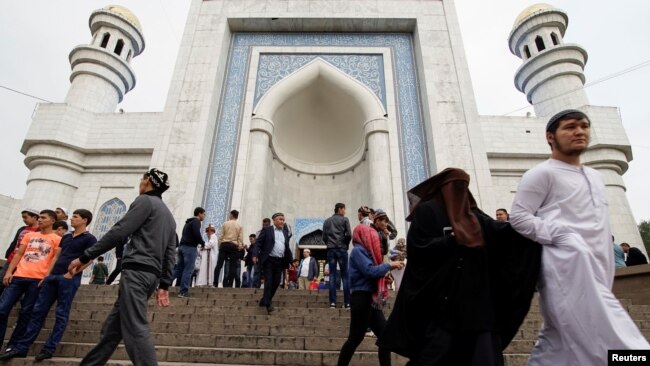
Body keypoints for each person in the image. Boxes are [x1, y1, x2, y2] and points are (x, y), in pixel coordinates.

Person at [509, 110, 649, 365]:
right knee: (615, 333)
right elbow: (518, 216)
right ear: (550, 137)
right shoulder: (542, 174)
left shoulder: (596, 177)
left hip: (597, 268)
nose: (579, 132)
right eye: (570, 127)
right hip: (565, 267)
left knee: (558, 342)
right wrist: (561, 235)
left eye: (584, 126)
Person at [378, 168, 541, 366]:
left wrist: (536, 225)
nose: (459, 192)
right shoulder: (428, 212)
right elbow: (419, 248)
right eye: (455, 187)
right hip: (439, 307)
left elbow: (504, 235)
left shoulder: (475, 216)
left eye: (463, 187)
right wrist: (451, 241)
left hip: (476, 309)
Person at [67, 168, 177, 366]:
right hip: (150, 276)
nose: (140, 182)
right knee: (112, 331)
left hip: (137, 271)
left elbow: (120, 231)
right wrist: (165, 284)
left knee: (136, 327)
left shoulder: (144, 201)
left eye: (142, 179)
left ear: (148, 181)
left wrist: (86, 256)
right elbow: (170, 253)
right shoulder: (168, 215)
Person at [0, 209, 96, 361]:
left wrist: (73, 272)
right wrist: (47, 275)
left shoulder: (90, 238)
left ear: (84, 220)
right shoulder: (66, 237)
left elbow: (90, 258)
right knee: (37, 312)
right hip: (52, 277)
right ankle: (22, 347)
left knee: (61, 314)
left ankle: (49, 348)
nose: (72, 219)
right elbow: (56, 256)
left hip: (68, 279)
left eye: (76, 217)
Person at [337, 213, 404, 366]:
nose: (373, 238)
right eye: (370, 236)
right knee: (355, 338)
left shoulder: (369, 253)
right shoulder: (358, 251)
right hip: (361, 298)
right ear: (363, 236)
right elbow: (369, 271)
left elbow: (375, 272)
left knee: (385, 337)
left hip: (371, 299)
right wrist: (390, 265)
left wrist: (385, 277)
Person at [0, 210, 62, 353]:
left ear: (52, 221)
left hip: (37, 280)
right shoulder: (29, 235)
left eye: (43, 218)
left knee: (26, 312)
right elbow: (19, 253)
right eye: (39, 217)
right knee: (2, 310)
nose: (40, 220)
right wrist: (10, 272)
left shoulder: (57, 239)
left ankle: (14, 344)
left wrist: (46, 276)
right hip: (18, 276)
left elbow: (55, 259)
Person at [253, 212, 293, 314]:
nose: (282, 222)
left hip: (280, 261)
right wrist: (255, 255)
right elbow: (258, 243)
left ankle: (265, 300)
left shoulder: (285, 232)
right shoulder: (267, 230)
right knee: (269, 281)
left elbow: (287, 248)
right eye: (280, 219)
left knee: (276, 283)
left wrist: (290, 260)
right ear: (274, 220)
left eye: (283, 220)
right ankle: (268, 304)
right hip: (269, 260)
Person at [0, 208, 39, 296]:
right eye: (23, 217)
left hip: (24, 263)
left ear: (35, 217)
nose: (24, 220)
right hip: (12, 259)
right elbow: (15, 242)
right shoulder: (22, 228)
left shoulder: (40, 231)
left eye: (26, 217)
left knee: (11, 286)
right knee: (1, 280)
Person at [322, 203, 352, 309]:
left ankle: (332, 303)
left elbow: (324, 236)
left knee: (332, 276)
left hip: (331, 250)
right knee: (345, 276)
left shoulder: (327, 221)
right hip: (341, 249)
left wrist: (330, 244)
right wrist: (345, 245)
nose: (344, 211)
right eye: (344, 209)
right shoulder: (344, 220)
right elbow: (349, 234)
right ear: (340, 209)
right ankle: (347, 302)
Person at [177, 207, 205, 297]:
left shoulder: (188, 222)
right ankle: (183, 291)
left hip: (182, 247)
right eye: (204, 214)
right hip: (189, 248)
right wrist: (202, 242)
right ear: (199, 214)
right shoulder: (196, 222)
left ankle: (162, 285)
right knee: (188, 270)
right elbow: (197, 234)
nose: (204, 216)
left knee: (178, 269)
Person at [214, 210, 244, 287]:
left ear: (232, 215)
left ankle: (215, 282)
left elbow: (221, 236)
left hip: (224, 244)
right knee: (232, 266)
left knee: (219, 265)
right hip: (234, 246)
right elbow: (240, 239)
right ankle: (230, 284)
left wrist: (220, 246)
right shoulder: (239, 225)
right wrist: (239, 247)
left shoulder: (225, 223)